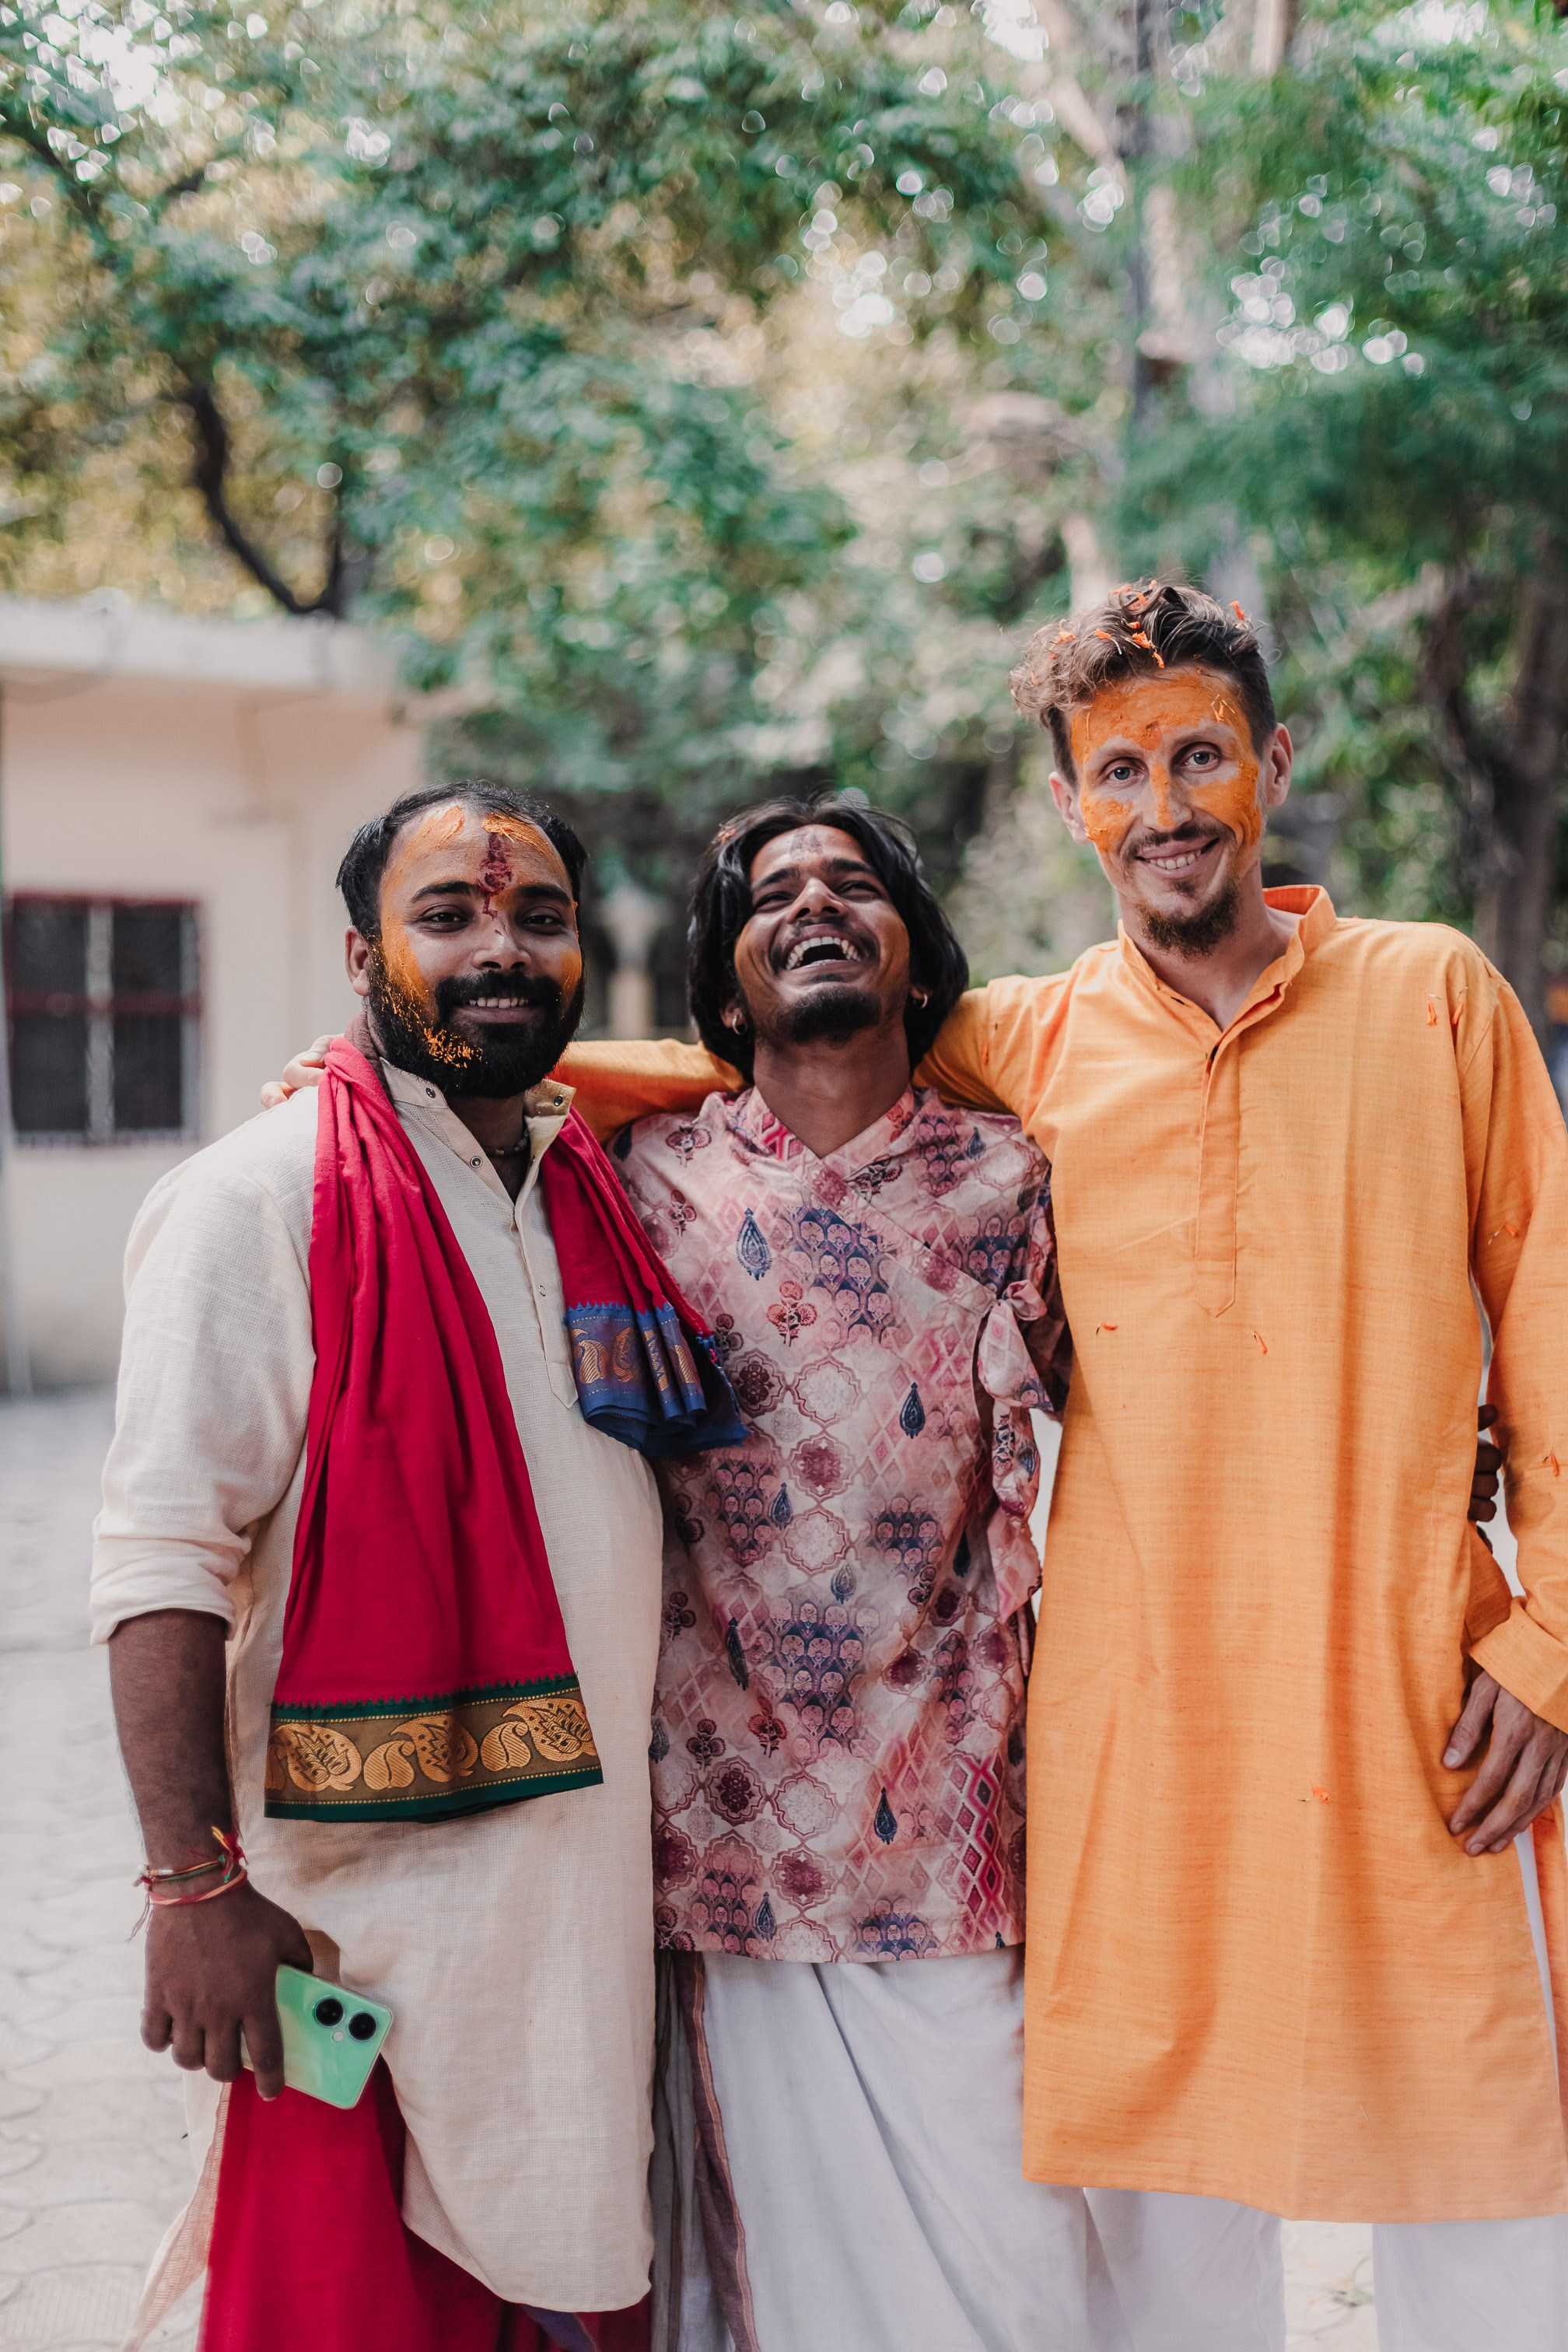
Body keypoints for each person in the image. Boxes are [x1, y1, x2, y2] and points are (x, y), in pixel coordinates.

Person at [267, 786, 1508, 2352]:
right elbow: (484, 1117)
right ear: (726, 991)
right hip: (717, 1859)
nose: (814, 907)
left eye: (853, 885)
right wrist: (359, 1075)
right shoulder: (633, 1183)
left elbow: (1209, 1382)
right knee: (752, 2294)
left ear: (922, 965)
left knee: (1017, 2283)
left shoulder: (1021, 1183)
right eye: (773, 895)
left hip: (959, 1845)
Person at [544, 583, 1568, 2351]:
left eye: (1198, 757)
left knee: (1485, 2178)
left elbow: (1553, 1330)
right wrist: (474, 1070)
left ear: (1271, 764)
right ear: (1071, 805)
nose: (1163, 804)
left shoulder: (1435, 1000)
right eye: (1119, 772)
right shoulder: (1032, 1037)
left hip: (1414, 1687)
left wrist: (1547, 1646)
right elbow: (781, 1057)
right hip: (1144, 1722)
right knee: (1164, 2221)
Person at [93, 782, 739, 2352]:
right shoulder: (260, 1199)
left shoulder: (601, 1191)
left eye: (536, 917)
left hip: (580, 1939)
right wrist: (193, 1890)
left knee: (565, 2281)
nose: (497, 950)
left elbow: (768, 1062)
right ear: (361, 953)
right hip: (335, 1950)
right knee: (340, 2318)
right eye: (446, 917)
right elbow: (158, 1554)